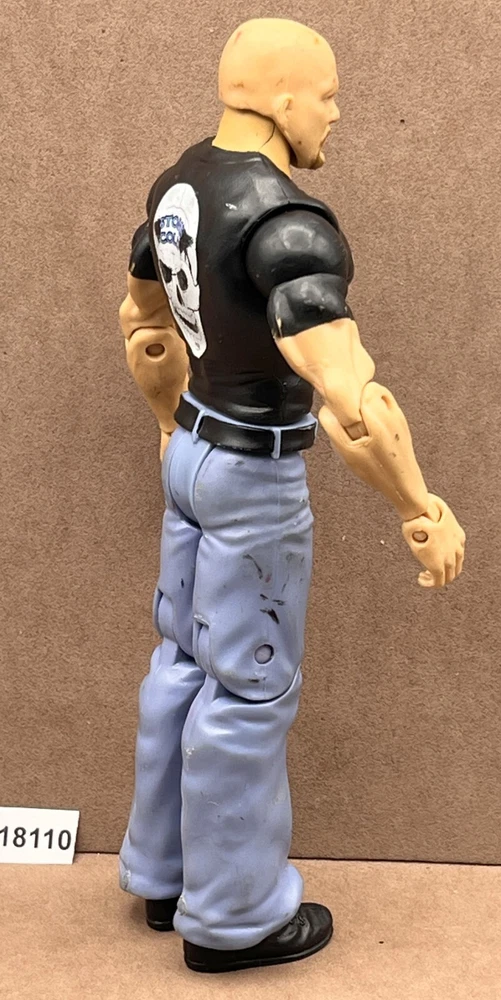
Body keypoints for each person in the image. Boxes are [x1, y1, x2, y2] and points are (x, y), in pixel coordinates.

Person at [118, 18, 466, 974]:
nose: (336, 113)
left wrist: (167, 425)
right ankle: (233, 918)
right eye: (326, 95)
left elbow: (144, 325)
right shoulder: (287, 225)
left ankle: (162, 873)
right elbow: (351, 400)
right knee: (249, 689)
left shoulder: (178, 184)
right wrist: (418, 506)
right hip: (251, 477)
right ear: (280, 101)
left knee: (180, 660)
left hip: (191, 450)